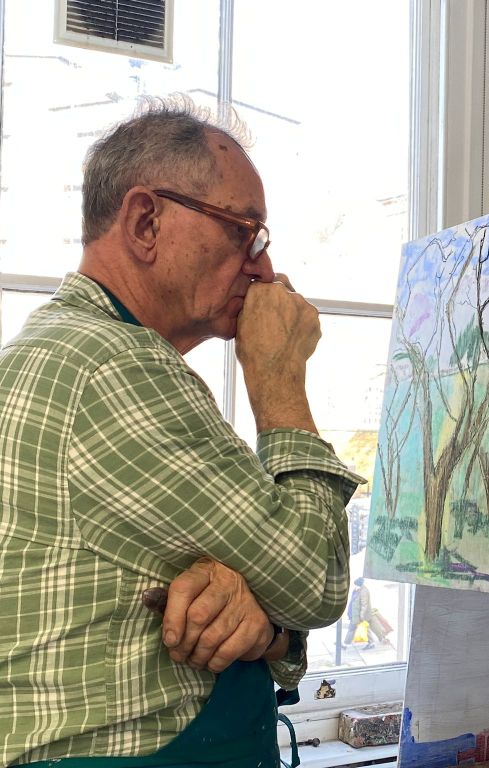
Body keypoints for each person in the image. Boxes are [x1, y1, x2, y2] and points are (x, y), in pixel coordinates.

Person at [0, 97, 364, 766]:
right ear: (145, 221)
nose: (263, 268)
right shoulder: (113, 367)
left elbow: (276, 593)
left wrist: (264, 620)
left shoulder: (60, 347)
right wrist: (279, 378)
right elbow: (314, 578)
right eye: (244, 231)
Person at [343, 577, 393, 649]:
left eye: (355, 584)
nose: (354, 586)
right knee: (363, 628)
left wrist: (361, 616)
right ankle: (372, 642)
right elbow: (353, 601)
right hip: (356, 613)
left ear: (359, 584)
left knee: (353, 628)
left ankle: (346, 644)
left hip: (360, 615)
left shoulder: (364, 592)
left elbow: (364, 605)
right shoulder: (357, 590)